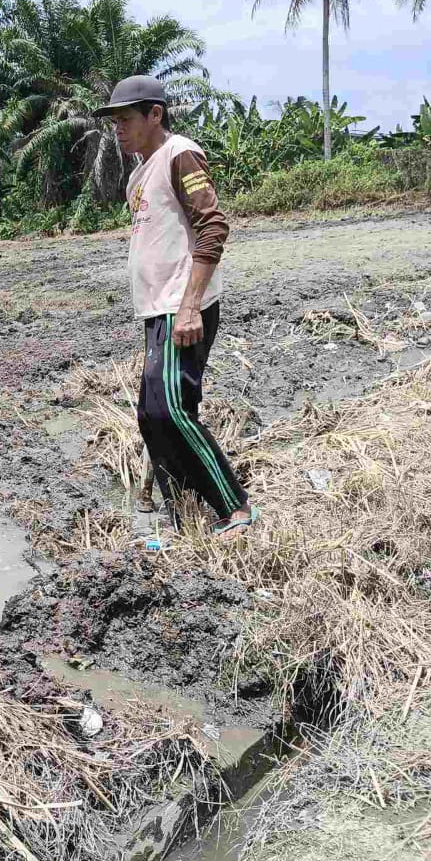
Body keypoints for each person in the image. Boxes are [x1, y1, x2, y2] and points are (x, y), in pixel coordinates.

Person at [94, 76, 258, 538]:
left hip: (181, 308)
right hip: (157, 310)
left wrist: (188, 307)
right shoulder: (139, 175)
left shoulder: (179, 153)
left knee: (169, 411)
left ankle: (235, 507)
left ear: (155, 115)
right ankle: (184, 508)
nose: (118, 130)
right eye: (114, 122)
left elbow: (213, 226)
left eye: (125, 119)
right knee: (152, 414)